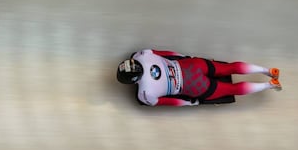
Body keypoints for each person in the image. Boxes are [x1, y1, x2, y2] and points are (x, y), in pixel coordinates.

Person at [116, 49, 282, 106]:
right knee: (229, 67)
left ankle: (270, 85)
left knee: (230, 89)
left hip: (194, 86)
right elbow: (170, 54)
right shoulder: (142, 55)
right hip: (192, 65)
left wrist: (189, 102)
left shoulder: (145, 94)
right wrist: (185, 58)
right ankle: (267, 70)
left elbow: (172, 102)